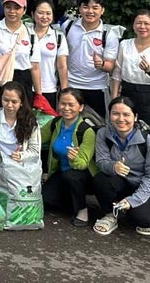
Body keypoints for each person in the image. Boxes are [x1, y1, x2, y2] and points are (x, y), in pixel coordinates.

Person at [92, 96, 150, 237]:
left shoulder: (149, 141)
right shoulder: (103, 133)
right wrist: (113, 167)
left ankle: (131, 208)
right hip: (122, 182)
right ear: (109, 116)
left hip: (149, 187)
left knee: (141, 219)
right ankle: (110, 214)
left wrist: (133, 200)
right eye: (115, 114)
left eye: (126, 114)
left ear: (135, 117)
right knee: (101, 179)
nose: (121, 119)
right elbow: (101, 162)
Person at [110, 10, 150, 144]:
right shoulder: (124, 45)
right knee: (125, 131)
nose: (142, 27)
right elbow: (117, 73)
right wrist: (114, 99)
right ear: (133, 25)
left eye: (146, 23)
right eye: (139, 23)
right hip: (127, 93)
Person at [41, 88, 99, 227]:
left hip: (83, 175)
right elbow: (38, 137)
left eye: (71, 105)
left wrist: (74, 158)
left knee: (72, 176)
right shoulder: (56, 123)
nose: (66, 108)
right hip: (61, 172)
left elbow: (83, 164)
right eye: (62, 103)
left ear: (81, 107)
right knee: (47, 199)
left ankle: (82, 210)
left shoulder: (86, 130)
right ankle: (73, 202)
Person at [0, 0, 41, 112]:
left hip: (22, 80)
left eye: (17, 8)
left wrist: (39, 95)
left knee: (22, 120)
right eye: (8, 7)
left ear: (24, 10)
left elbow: (35, 67)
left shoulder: (30, 33)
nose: (12, 11)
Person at [63, 0, 121, 119]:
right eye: (86, 7)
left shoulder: (108, 34)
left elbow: (110, 66)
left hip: (97, 87)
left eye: (95, 8)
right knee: (68, 123)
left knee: (96, 126)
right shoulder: (68, 27)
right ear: (79, 9)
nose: (90, 11)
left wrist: (102, 64)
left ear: (102, 10)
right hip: (71, 85)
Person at [0, 81, 41, 199]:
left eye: (14, 102)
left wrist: (21, 156)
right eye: (5, 100)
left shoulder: (31, 121)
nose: (9, 105)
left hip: (22, 168)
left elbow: (35, 150)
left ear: (22, 103)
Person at [32, 0, 68, 108]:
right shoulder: (25, 32)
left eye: (48, 13)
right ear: (33, 14)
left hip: (48, 87)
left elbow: (62, 66)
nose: (44, 17)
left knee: (47, 123)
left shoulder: (58, 37)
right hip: (26, 87)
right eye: (40, 13)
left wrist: (65, 91)